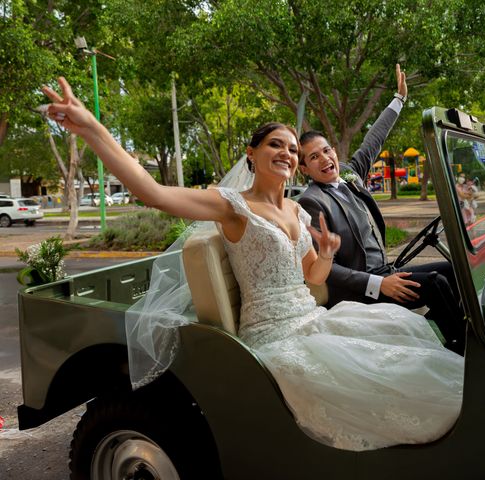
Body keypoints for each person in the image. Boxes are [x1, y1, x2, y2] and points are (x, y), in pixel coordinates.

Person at [42, 76, 463, 452]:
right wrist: (92, 128)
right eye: (275, 145)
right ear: (252, 154)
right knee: (391, 386)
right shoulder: (234, 207)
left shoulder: (298, 212)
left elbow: (312, 276)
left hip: (313, 319)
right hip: (276, 336)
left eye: (292, 149)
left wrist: (328, 253)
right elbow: (154, 193)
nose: (286, 153)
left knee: (407, 352)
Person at [298, 64, 465, 353]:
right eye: (314, 157)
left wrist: (398, 100)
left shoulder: (350, 174)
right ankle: (464, 349)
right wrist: (379, 284)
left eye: (326, 150)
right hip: (361, 291)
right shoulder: (311, 201)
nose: (324, 159)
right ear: (304, 168)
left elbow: (374, 140)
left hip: (387, 270)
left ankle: (450, 337)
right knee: (436, 283)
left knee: (455, 270)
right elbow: (326, 269)